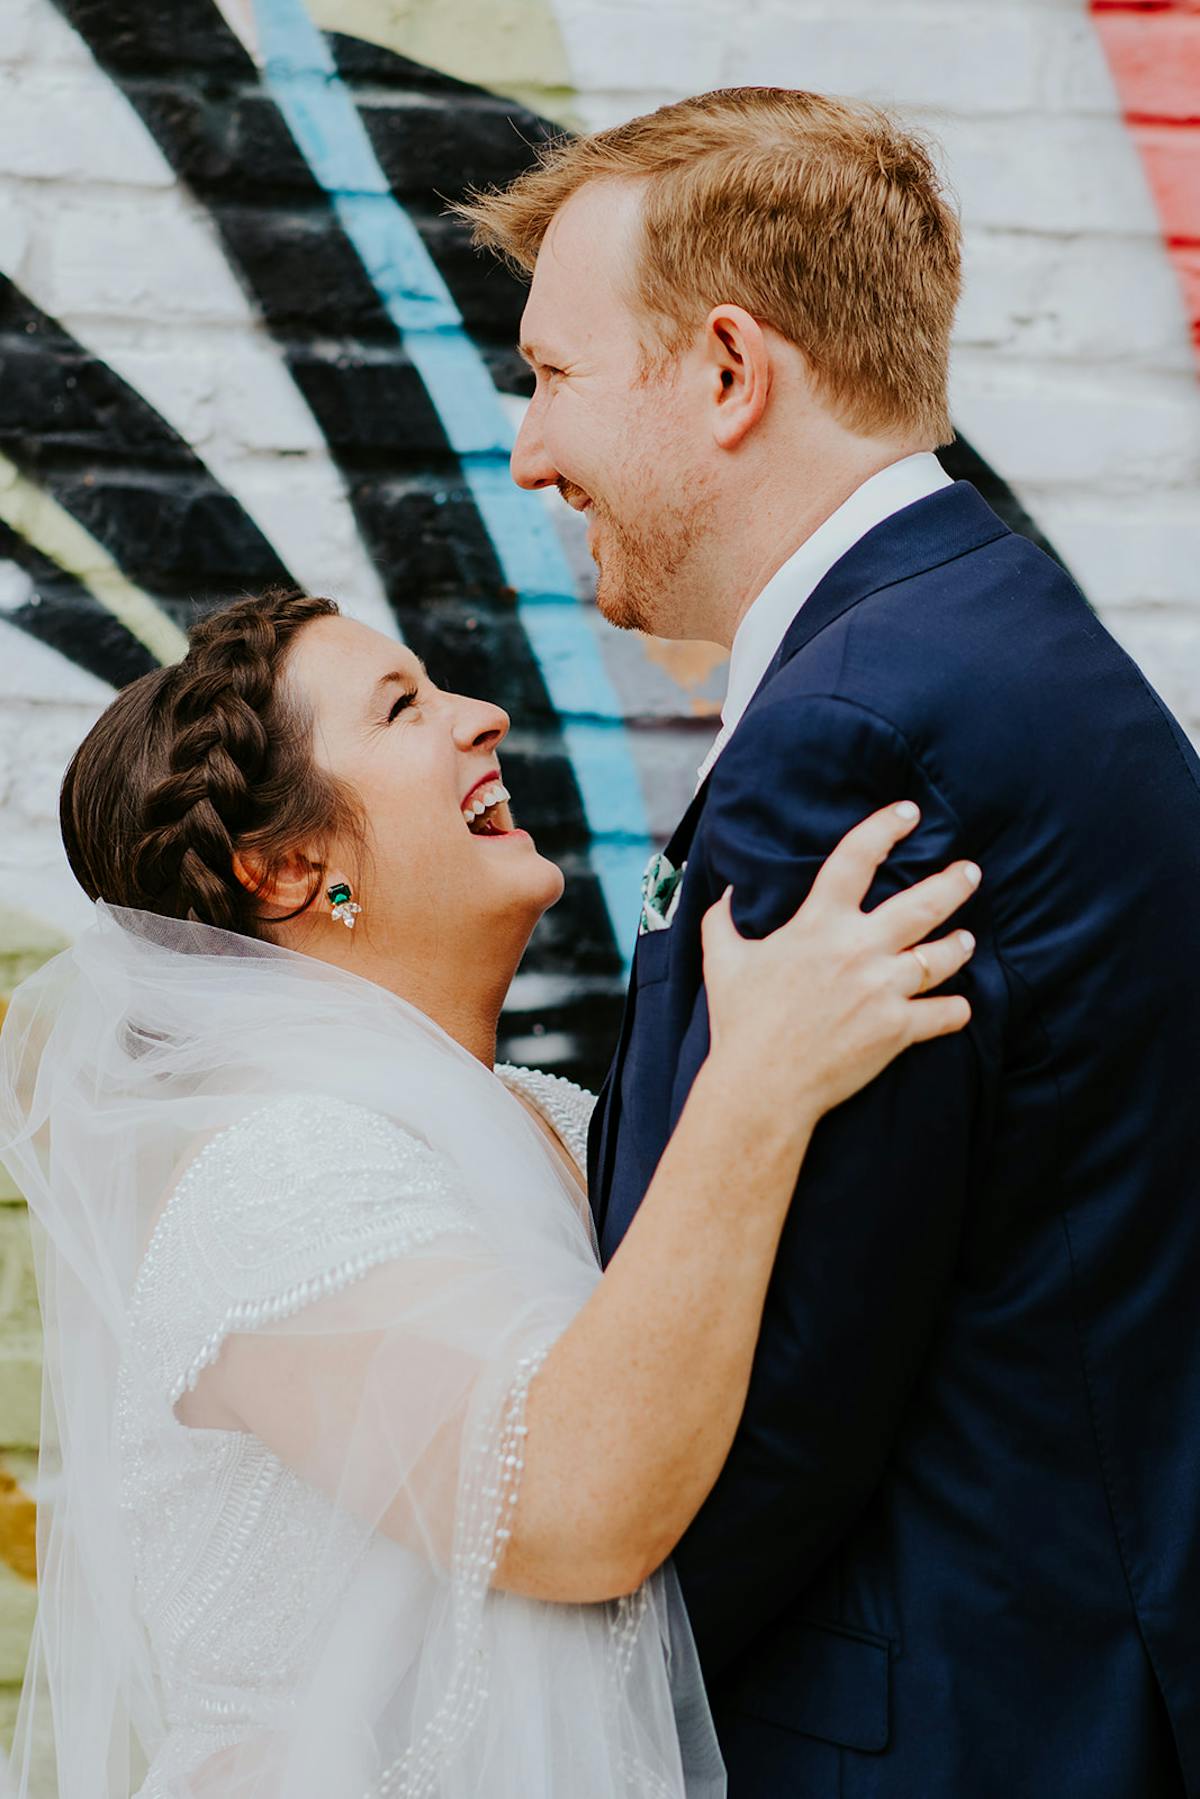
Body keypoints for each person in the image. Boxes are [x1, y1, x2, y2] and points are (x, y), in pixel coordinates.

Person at [458, 87, 1200, 1797]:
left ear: (728, 372)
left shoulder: (854, 729)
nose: (526, 449)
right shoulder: (981, 628)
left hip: (942, 1727)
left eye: (554, 375)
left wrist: (569, 1710)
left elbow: (781, 1385)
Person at [0, 589, 977, 1798]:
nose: (485, 715)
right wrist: (760, 1081)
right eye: (405, 705)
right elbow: (570, 1502)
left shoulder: (556, 1119)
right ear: (294, 867)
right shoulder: (274, 1171)